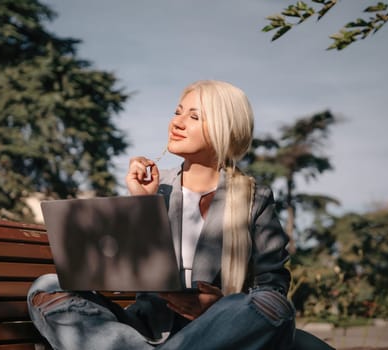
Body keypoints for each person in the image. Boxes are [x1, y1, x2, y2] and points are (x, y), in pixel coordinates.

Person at [27, 80, 296, 349]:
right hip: (146, 330)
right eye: (177, 112)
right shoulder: (155, 188)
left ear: (224, 128)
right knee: (48, 286)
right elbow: (127, 269)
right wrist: (142, 204)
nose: (177, 123)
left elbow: (271, 286)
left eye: (194, 116)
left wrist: (221, 306)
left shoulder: (255, 199)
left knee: (275, 306)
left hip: (217, 332)